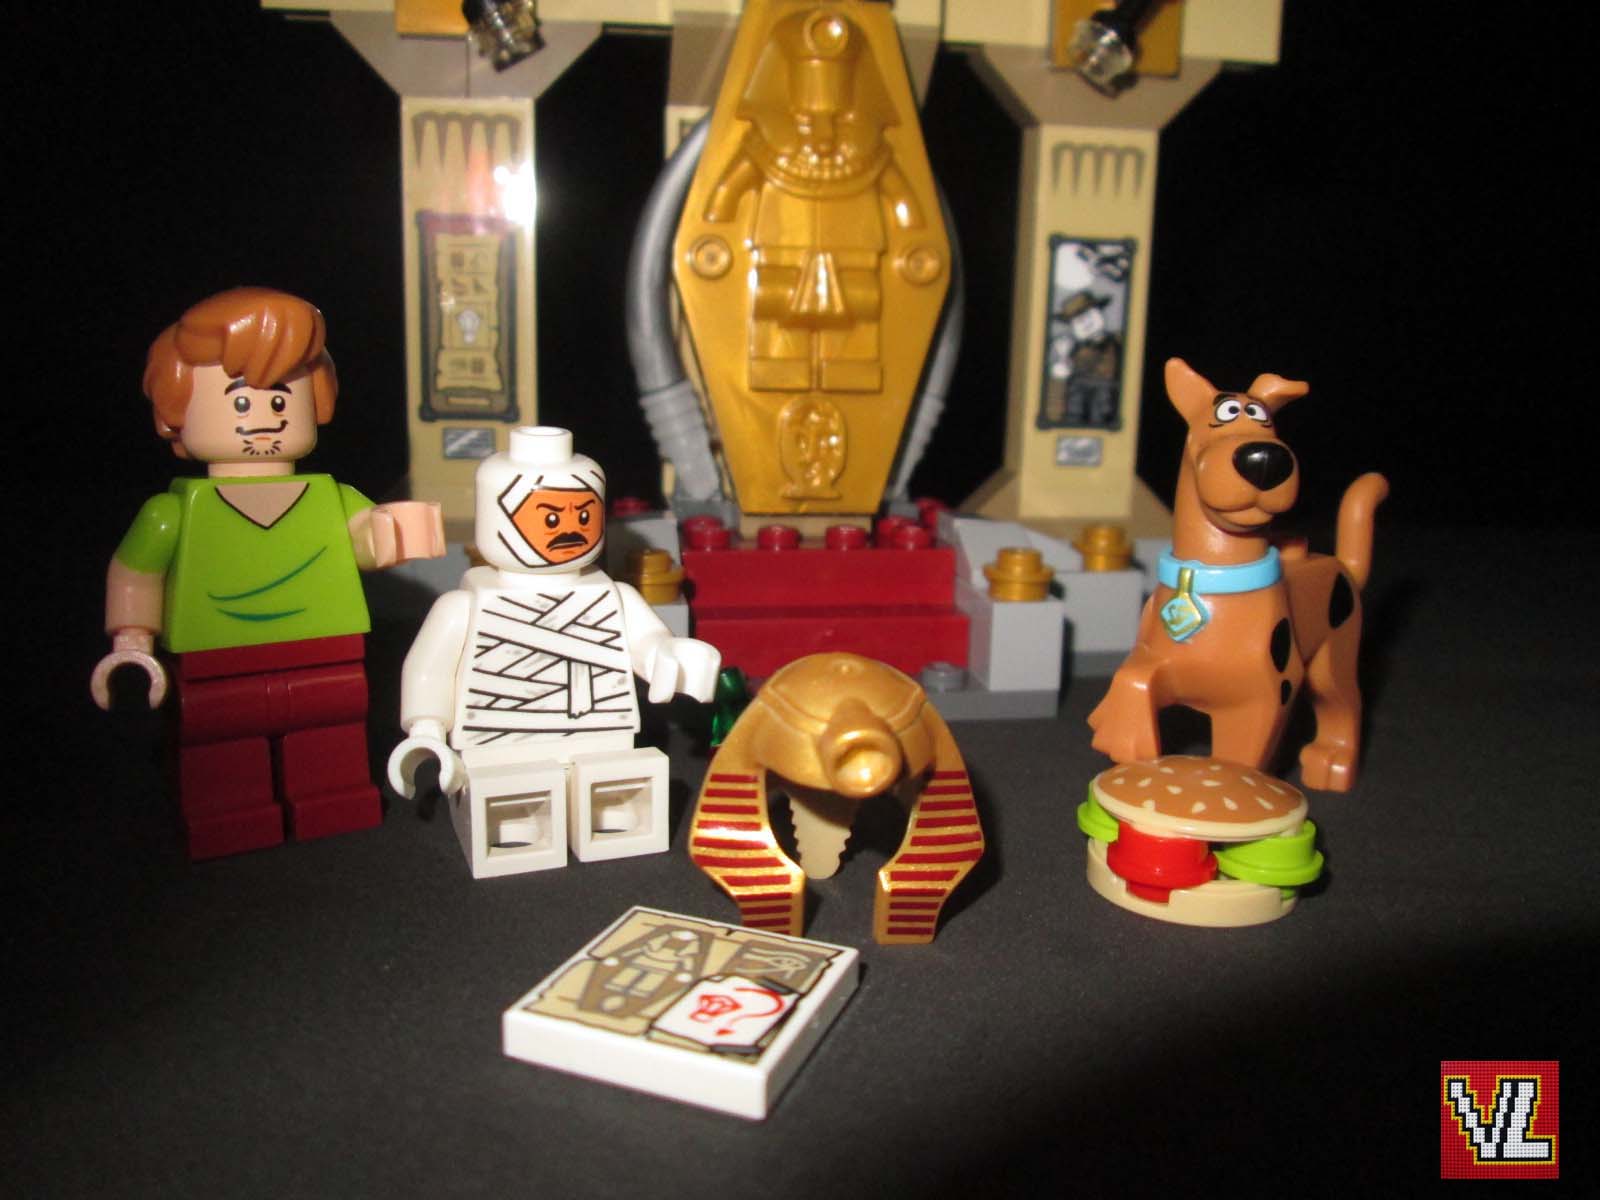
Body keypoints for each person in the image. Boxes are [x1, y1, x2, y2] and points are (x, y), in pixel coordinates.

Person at [91, 287, 445, 859]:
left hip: (328, 649)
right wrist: (132, 639)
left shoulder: (332, 498)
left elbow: (365, 540)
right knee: (221, 740)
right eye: (239, 404)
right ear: (177, 412)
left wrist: (395, 532)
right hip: (215, 656)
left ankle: (332, 797)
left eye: (281, 401)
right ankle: (230, 812)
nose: (262, 420)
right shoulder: (173, 512)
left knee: (329, 729)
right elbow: (135, 573)